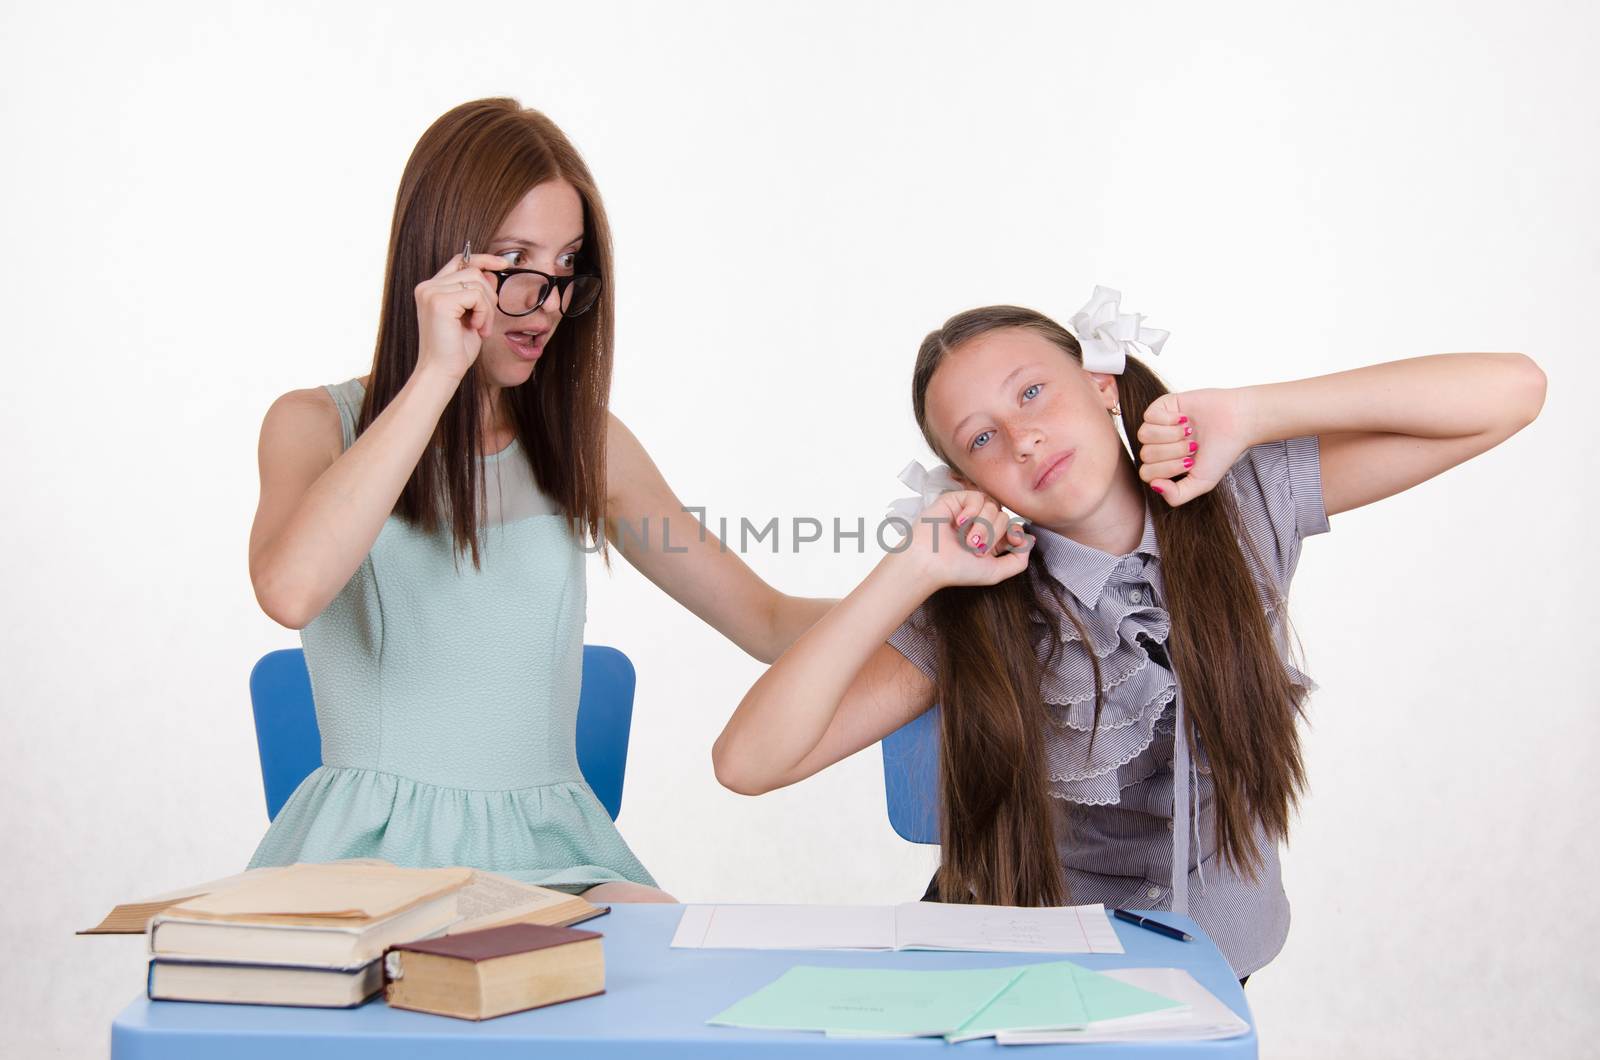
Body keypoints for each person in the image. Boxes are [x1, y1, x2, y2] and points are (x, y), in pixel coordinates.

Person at [711, 290, 1545, 975]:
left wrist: (1252, 413)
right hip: (1012, 970)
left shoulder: (1243, 501)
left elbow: (1511, 392)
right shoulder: (974, 600)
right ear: (968, 483)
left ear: (1100, 384)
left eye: (1031, 392)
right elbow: (748, 763)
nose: (1022, 435)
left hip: (1206, 963)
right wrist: (908, 572)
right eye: (981, 439)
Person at [246, 98, 832, 903]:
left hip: (556, 859)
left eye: (566, 268)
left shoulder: (585, 443)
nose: (548, 301)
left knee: (672, 964)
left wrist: (929, 591)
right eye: (515, 261)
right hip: (369, 860)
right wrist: (435, 373)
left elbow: (765, 622)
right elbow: (290, 589)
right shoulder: (314, 425)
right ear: (439, 260)